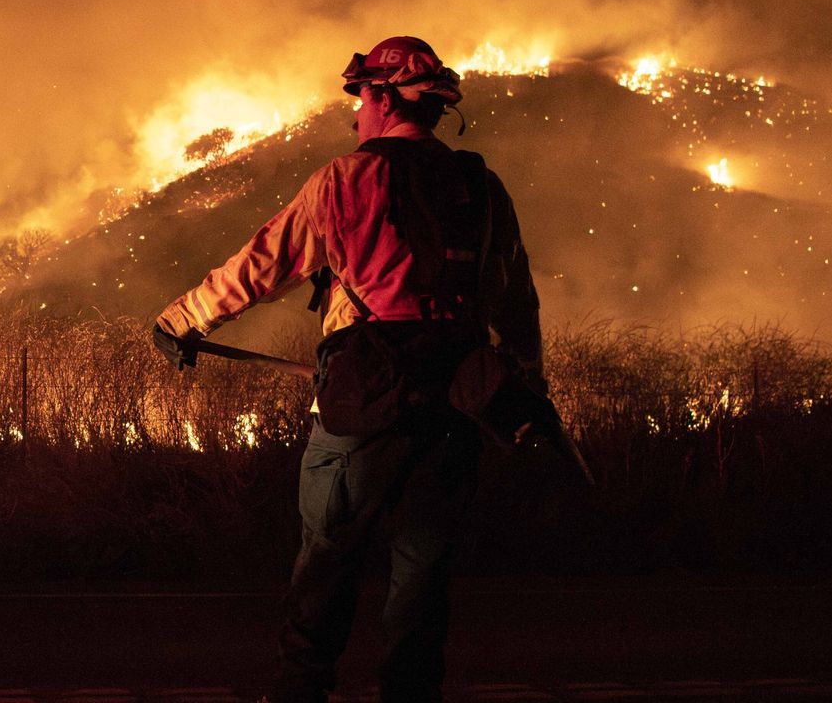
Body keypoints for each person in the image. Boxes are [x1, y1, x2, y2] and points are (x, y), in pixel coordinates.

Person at [153, 36, 543, 703]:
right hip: (457, 412)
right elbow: (517, 302)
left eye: (362, 96)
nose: (356, 112)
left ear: (385, 97)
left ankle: (301, 692)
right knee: (421, 577)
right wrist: (528, 388)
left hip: (365, 404)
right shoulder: (482, 188)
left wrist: (181, 321)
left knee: (326, 565)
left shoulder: (346, 180)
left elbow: (262, 264)